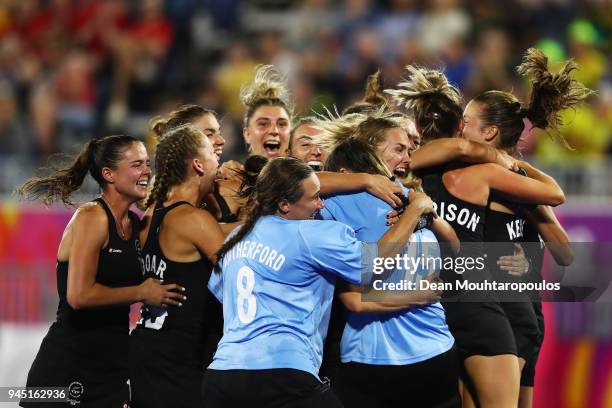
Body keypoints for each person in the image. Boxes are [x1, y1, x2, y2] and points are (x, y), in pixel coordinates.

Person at [386, 64, 566, 408]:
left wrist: (528, 258)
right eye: (460, 121)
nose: (461, 129)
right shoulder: (432, 171)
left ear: (490, 131)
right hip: (463, 303)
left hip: (511, 309)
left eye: (467, 122)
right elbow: (458, 152)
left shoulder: (500, 180)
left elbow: (564, 245)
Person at [203, 157, 442, 408]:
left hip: (222, 377)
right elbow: (372, 264)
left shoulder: (235, 239)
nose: (320, 205)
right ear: (284, 204)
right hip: (282, 373)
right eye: (315, 197)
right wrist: (415, 210)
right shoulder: (311, 234)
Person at [18, 135, 183, 407]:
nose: (146, 171)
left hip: (111, 371)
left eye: (147, 163)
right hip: (64, 369)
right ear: (109, 174)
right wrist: (142, 291)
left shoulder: (135, 223)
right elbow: (79, 295)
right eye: (137, 164)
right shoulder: (91, 217)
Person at [316, 111, 461, 408]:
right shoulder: (335, 206)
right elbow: (355, 297)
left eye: (409, 150)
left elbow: (455, 247)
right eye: (399, 149)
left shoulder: (411, 197)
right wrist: (417, 295)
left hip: (416, 354)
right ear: (371, 149)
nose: (408, 158)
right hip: (389, 359)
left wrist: (424, 213)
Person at [130, 124, 232, 408]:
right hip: (180, 361)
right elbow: (241, 274)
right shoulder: (193, 219)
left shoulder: (151, 215)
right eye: (212, 152)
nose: (218, 158)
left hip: (147, 352)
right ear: (198, 164)